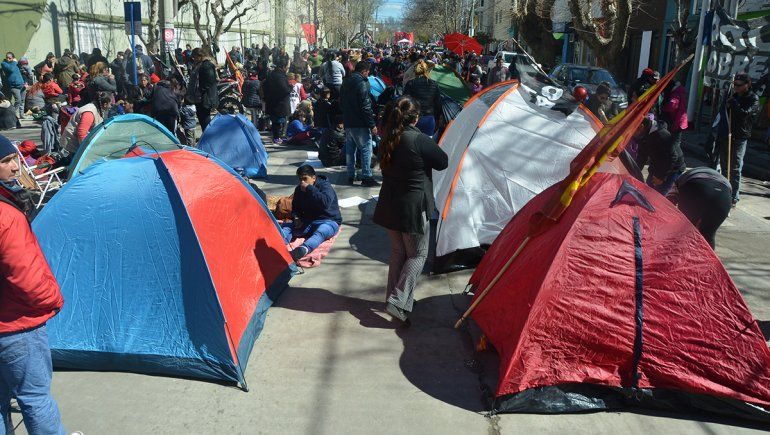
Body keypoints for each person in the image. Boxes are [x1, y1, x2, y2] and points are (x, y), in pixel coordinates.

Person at [0, 134, 66, 435]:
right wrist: (52, 299)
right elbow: (25, 277)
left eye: (14, 158)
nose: (16, 167)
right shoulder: (7, 216)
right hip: (16, 326)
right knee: (35, 398)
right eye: (6, 161)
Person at [373, 96, 448, 324]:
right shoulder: (417, 139)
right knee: (417, 255)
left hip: (390, 203)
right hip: (413, 207)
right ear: (415, 117)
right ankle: (398, 300)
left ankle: (394, 299)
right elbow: (442, 161)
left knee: (398, 253)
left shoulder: (387, 136)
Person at [714, 73, 759, 206]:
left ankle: (734, 195)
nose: (736, 88)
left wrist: (735, 104)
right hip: (726, 133)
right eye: (735, 85)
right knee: (724, 164)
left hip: (740, 136)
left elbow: (746, 114)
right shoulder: (734, 96)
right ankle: (723, 190)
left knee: (735, 167)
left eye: (739, 85)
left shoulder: (753, 98)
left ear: (747, 85)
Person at [281, 164, 342, 261]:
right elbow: (296, 207)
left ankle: (303, 249)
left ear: (314, 178)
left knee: (321, 232)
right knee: (287, 227)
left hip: (328, 220)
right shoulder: (299, 190)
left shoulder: (325, 187)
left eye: (305, 179)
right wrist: (296, 217)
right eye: (300, 179)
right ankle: (278, 245)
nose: (302, 182)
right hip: (308, 221)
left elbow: (325, 203)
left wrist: (310, 189)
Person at [667, 167, 732, 249]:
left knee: (684, 230)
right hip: (723, 197)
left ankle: (677, 256)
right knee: (708, 235)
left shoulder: (680, 179)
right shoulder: (723, 180)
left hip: (696, 188)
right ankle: (707, 261)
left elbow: (669, 201)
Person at [340, 61, 379, 187]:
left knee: (350, 149)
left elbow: (341, 101)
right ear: (364, 71)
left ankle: (350, 174)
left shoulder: (346, 81)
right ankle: (367, 176)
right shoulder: (362, 83)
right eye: (368, 72)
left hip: (348, 120)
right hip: (360, 122)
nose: (368, 74)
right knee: (366, 148)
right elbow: (365, 106)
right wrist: (372, 124)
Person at [634, 115, 685, 196]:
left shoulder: (661, 135)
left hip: (673, 169)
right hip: (656, 165)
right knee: (647, 192)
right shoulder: (642, 134)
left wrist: (661, 177)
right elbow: (641, 157)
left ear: (641, 126)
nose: (632, 135)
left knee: (658, 197)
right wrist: (633, 173)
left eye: (633, 132)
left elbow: (672, 157)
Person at [403, 60, 442, 137]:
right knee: (426, 144)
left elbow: (405, 102)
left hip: (413, 119)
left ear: (415, 71)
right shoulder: (434, 84)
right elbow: (438, 104)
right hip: (429, 119)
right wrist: (437, 118)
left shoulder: (410, 83)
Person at [186, 48, 218, 131]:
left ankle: (209, 138)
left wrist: (200, 90)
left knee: (205, 119)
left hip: (204, 98)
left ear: (200, 56)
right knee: (202, 119)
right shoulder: (199, 65)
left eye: (195, 57)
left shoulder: (206, 65)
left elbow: (209, 82)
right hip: (199, 98)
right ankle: (207, 136)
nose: (194, 59)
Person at [263, 61, 292, 144]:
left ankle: (277, 137)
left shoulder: (271, 75)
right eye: (287, 67)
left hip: (272, 101)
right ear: (283, 67)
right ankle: (277, 137)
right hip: (279, 103)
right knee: (278, 121)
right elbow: (284, 89)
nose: (287, 69)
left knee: (276, 121)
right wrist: (290, 87)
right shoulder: (280, 76)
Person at [662, 81, 688, 152]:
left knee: (675, 142)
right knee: (676, 141)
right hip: (681, 120)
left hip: (678, 120)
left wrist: (663, 108)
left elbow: (672, 106)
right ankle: (675, 156)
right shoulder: (681, 92)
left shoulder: (675, 94)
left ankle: (676, 158)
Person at [1, 53, 26, 119]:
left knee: (22, 101)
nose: (8, 59)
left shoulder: (15, 63)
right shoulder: (4, 64)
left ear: (13, 57)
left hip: (21, 84)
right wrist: (15, 62)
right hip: (14, 86)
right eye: (7, 57)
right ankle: (13, 114)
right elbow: (11, 69)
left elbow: (21, 71)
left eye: (10, 58)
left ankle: (21, 114)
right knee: (18, 100)